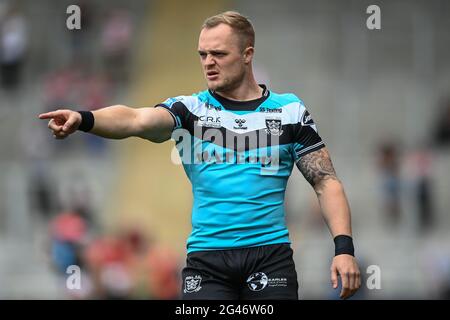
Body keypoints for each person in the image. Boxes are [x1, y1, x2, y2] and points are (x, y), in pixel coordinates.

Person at [39, 11, 360, 300]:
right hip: (207, 261)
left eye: (219, 54)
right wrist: (84, 118)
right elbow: (136, 119)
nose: (208, 62)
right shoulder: (190, 109)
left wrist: (343, 248)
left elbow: (325, 181)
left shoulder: (289, 111)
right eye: (203, 54)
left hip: (270, 258)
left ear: (247, 55)